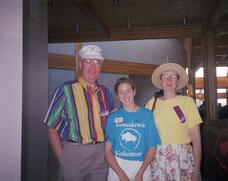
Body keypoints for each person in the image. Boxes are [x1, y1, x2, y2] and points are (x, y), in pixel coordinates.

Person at [43, 45, 115, 181]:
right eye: (88, 61)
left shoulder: (106, 93)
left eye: (97, 62)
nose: (92, 67)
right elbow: (51, 128)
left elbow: (110, 123)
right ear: (81, 64)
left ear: (101, 67)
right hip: (74, 153)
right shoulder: (65, 90)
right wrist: (63, 159)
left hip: (101, 154)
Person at [145, 63, 203, 181]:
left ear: (178, 80)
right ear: (160, 81)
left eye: (173, 76)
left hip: (182, 159)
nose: (169, 79)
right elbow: (143, 131)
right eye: (165, 76)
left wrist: (197, 170)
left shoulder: (187, 102)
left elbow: (196, 140)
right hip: (158, 158)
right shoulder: (152, 104)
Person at [105, 77, 160, 181]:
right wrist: (121, 175)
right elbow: (107, 151)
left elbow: (152, 147)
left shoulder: (147, 115)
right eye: (121, 92)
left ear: (134, 92)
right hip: (117, 166)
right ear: (117, 95)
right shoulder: (113, 117)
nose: (125, 95)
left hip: (141, 166)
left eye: (128, 91)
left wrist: (140, 173)